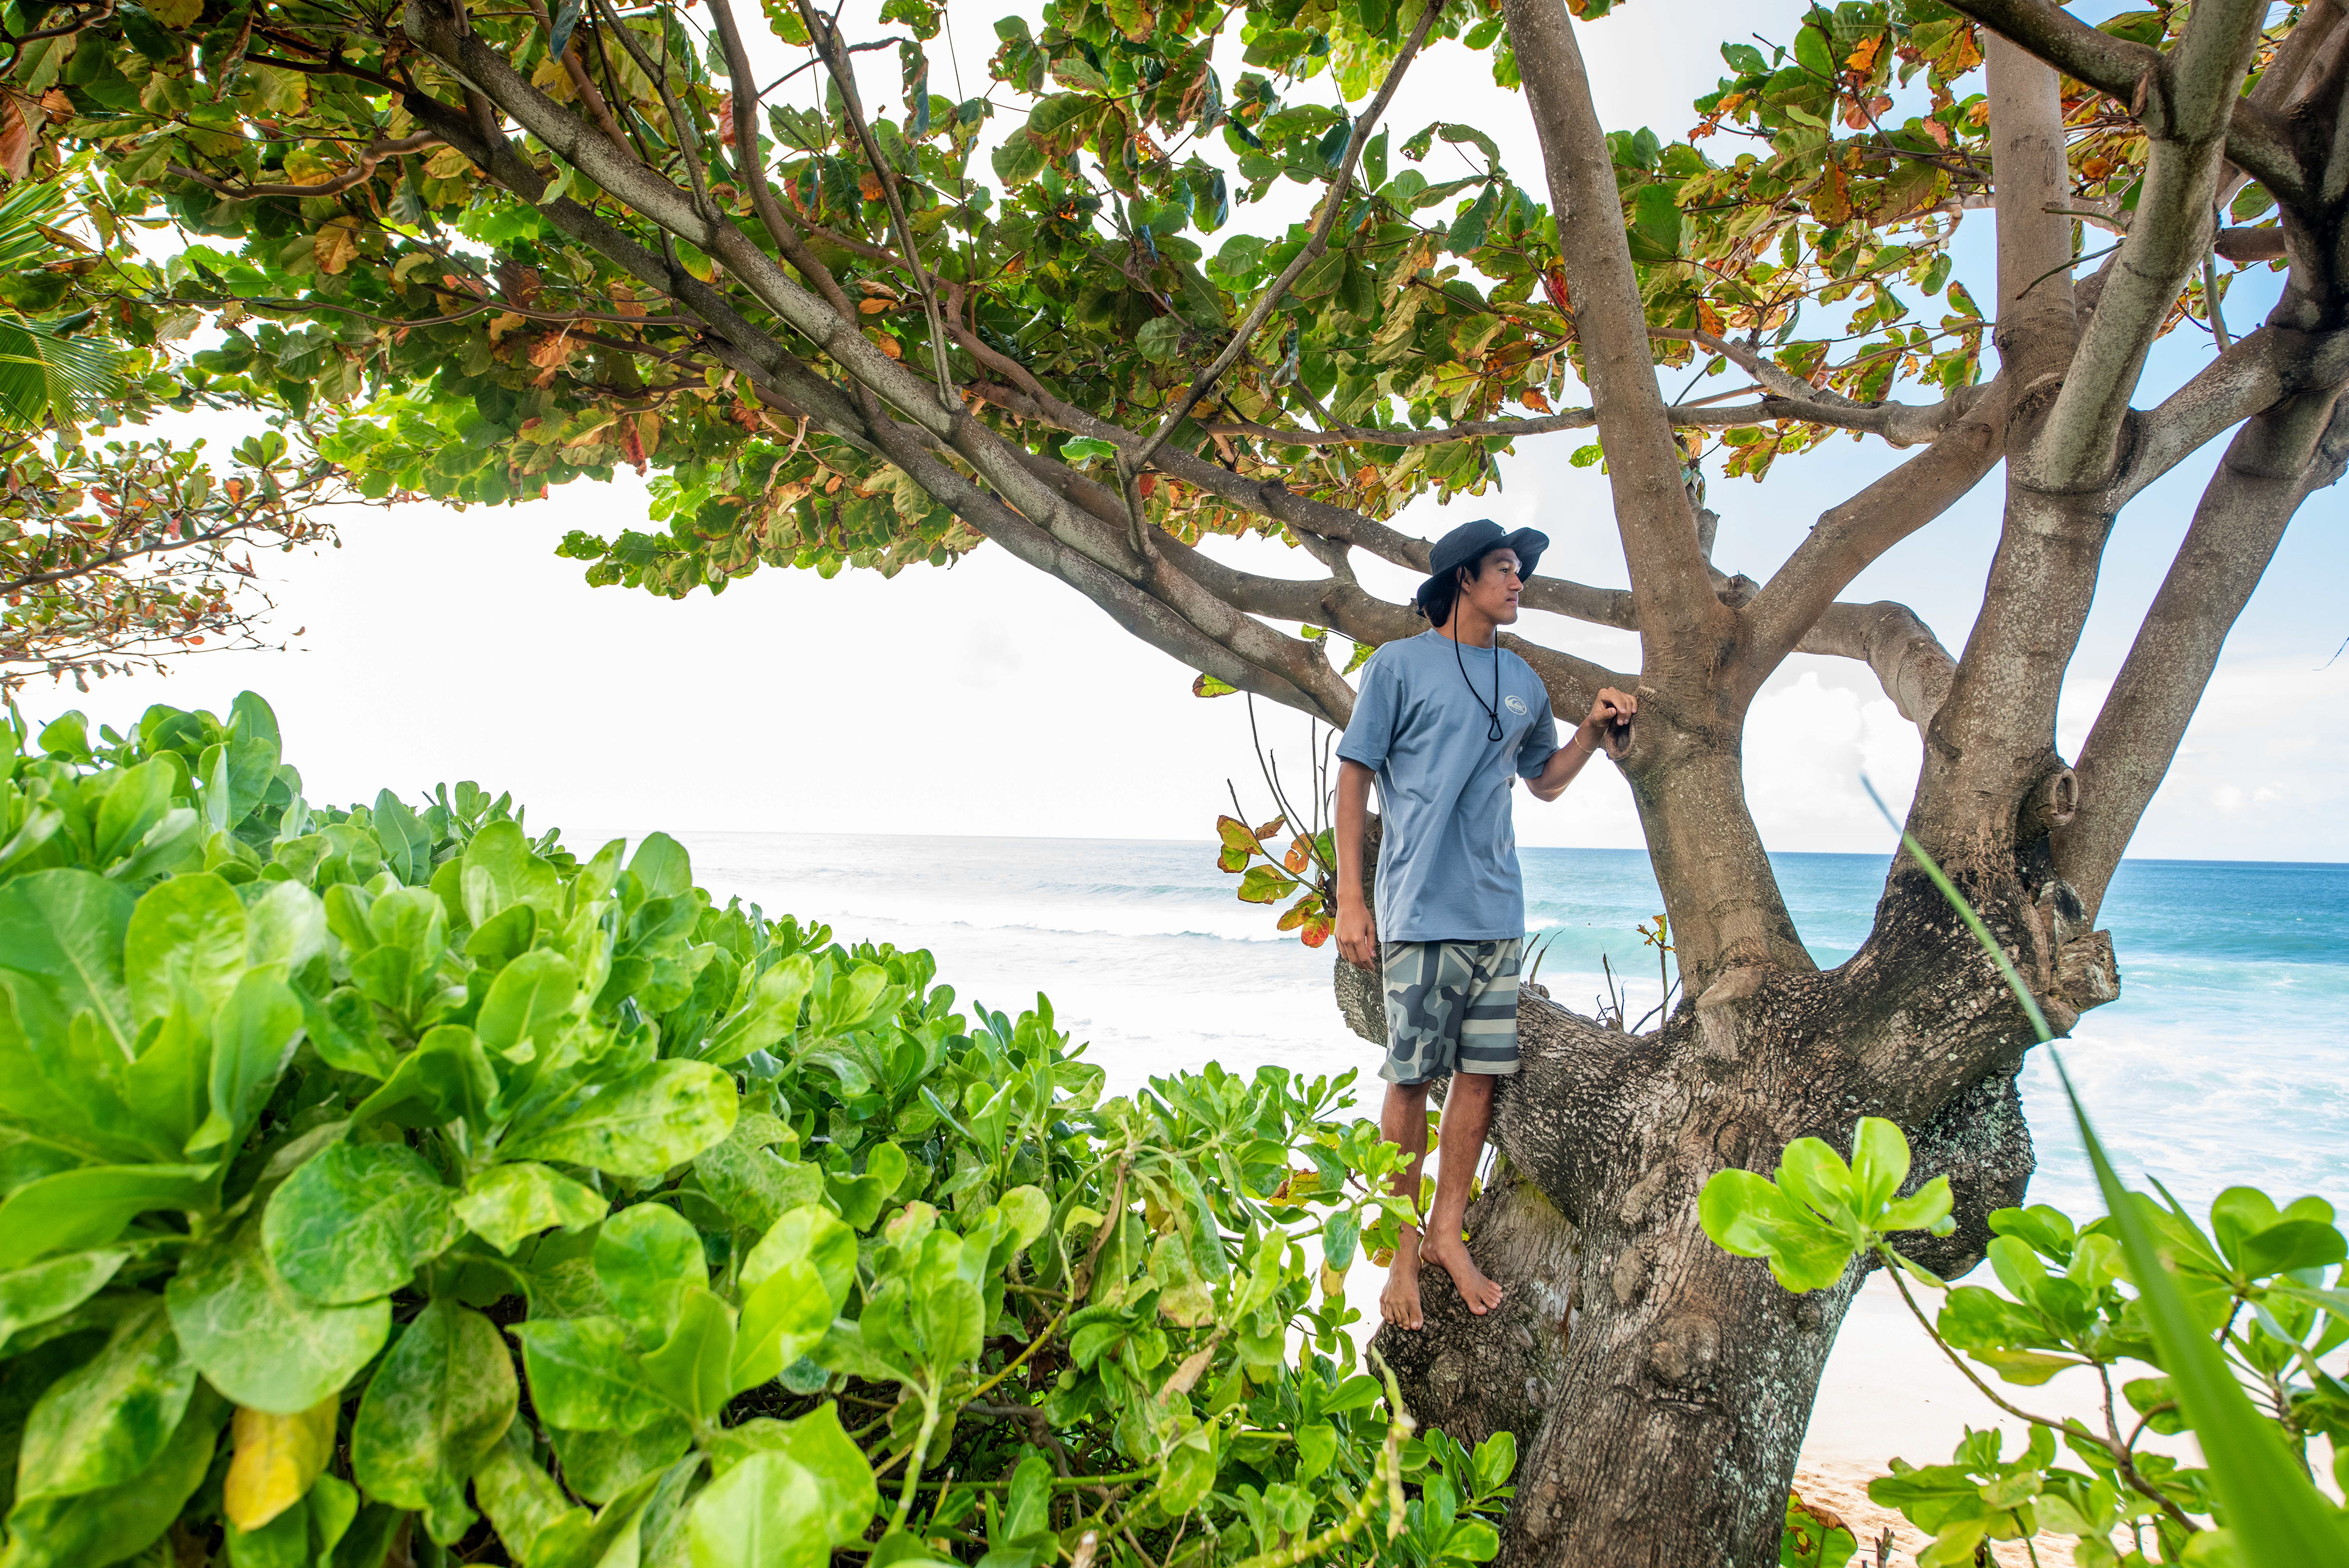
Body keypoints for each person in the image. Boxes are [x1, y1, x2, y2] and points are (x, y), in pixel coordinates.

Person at [1332, 518, 1636, 1331]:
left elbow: (1544, 780)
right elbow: (1354, 777)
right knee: (1410, 1081)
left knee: (1478, 1077)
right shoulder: (1397, 666)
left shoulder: (1524, 679)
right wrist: (1353, 900)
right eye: (1504, 568)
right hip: (1418, 909)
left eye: (1519, 570)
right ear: (1464, 578)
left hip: (1497, 910)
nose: (1517, 582)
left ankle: (1447, 1233)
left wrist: (1590, 733)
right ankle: (1401, 1253)